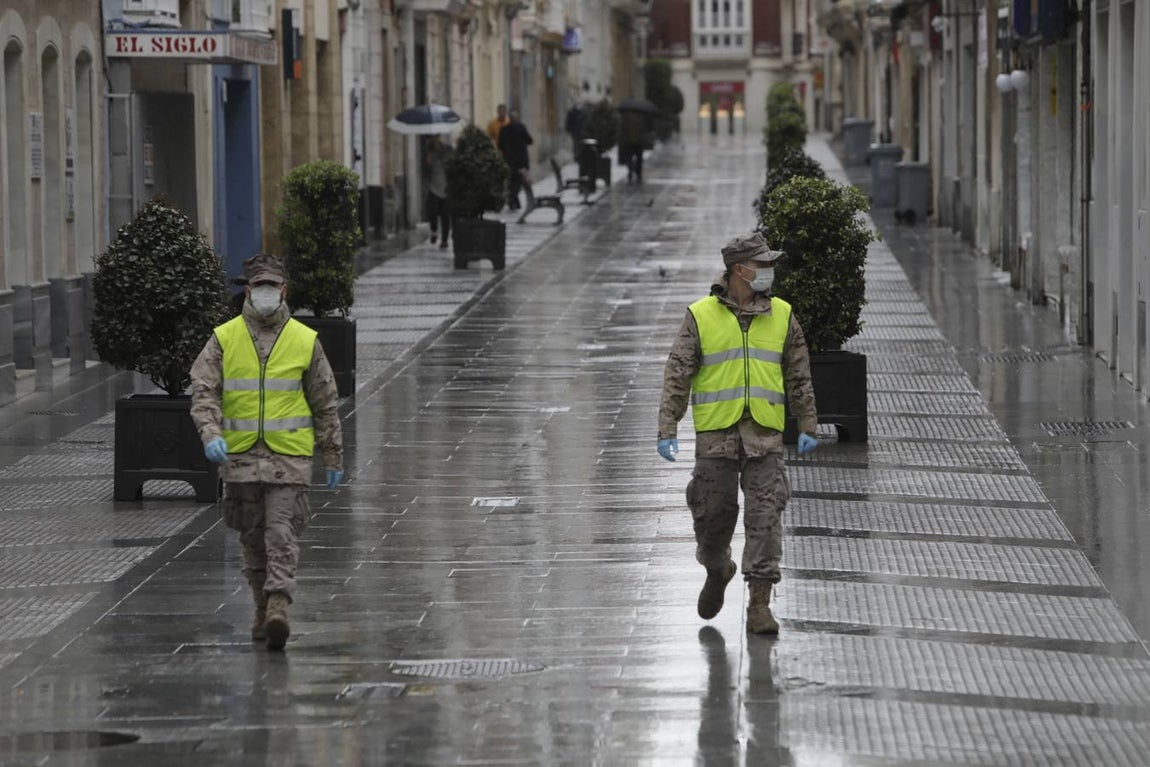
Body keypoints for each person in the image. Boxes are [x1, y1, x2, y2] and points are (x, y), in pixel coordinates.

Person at [657, 231, 818, 635]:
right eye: (762, 264)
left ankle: (759, 606)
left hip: (765, 437)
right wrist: (668, 425)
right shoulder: (700, 315)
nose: (769, 271)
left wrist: (809, 421)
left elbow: (798, 372)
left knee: (766, 519)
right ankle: (717, 567)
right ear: (739, 270)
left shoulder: (782, 314)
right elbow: (678, 372)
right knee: (712, 519)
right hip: (716, 437)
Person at [190, 254, 343, 652]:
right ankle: (261, 609)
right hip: (239, 460)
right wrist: (209, 434)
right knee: (253, 539)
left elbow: (325, 400)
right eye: (259, 287)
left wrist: (332, 454)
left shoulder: (304, 340)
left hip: (288, 459)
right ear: (247, 290)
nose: (265, 294)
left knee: (281, 533)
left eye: (271, 287)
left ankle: (279, 605)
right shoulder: (224, 338)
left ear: (283, 290)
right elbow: (204, 392)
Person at [498, 109, 534, 211]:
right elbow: (530, 141)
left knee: (512, 182)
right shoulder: (521, 128)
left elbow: (500, 144)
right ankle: (513, 200)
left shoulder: (504, 129)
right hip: (521, 161)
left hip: (509, 160)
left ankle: (514, 201)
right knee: (518, 182)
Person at [424, 134, 452, 249]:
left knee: (445, 214)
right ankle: (434, 231)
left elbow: (451, 163)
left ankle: (444, 239)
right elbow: (424, 170)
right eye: (432, 138)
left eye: (435, 137)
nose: (434, 140)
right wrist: (428, 162)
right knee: (432, 211)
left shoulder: (447, 149)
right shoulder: (427, 151)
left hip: (446, 187)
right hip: (433, 187)